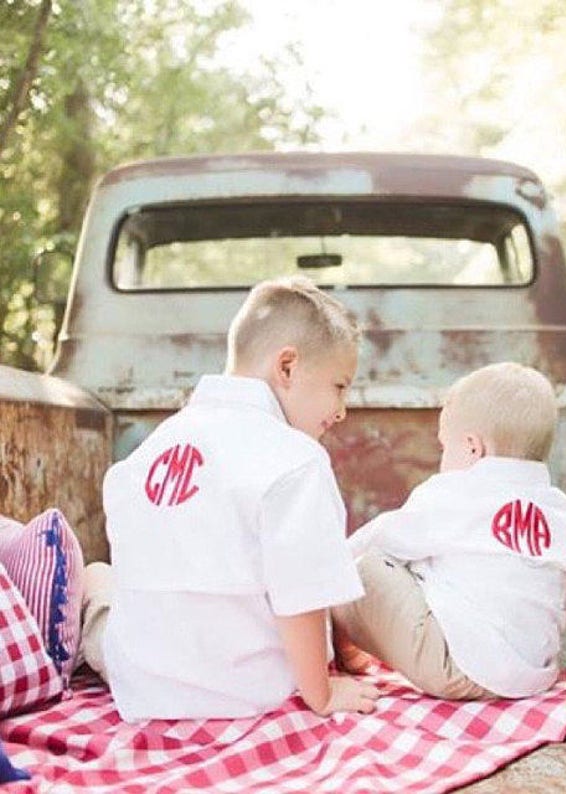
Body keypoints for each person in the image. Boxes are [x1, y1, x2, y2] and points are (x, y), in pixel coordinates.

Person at [81, 276, 379, 721]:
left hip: (141, 689)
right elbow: (299, 596)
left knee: (99, 579)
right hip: (242, 694)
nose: (342, 410)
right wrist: (322, 692)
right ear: (288, 368)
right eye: (339, 385)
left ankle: (75, 605)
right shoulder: (296, 460)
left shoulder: (142, 459)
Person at [331, 362, 566, 701]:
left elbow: (383, 537)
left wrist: (329, 567)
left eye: (445, 447)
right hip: (531, 676)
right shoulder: (562, 511)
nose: (443, 459)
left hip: (454, 666)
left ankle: (342, 646)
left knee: (366, 566)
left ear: (473, 447)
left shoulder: (455, 492)